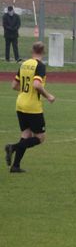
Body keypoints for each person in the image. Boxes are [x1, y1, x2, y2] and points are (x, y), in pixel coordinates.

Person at [4, 42, 55, 173]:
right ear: (43, 52)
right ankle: (12, 147)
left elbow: (14, 85)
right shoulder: (40, 66)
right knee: (40, 137)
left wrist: (25, 91)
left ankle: (15, 166)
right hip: (32, 106)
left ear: (32, 50)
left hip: (20, 103)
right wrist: (48, 96)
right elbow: (37, 85)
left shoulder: (24, 64)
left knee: (26, 134)